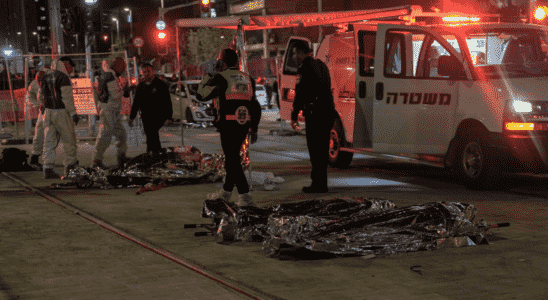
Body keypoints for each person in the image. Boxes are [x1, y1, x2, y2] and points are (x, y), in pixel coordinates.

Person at [197, 48, 262, 206]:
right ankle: (226, 192)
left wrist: (208, 75)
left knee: (232, 160)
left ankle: (245, 195)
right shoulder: (247, 79)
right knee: (232, 159)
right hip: (242, 124)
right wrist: (254, 127)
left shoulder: (221, 77)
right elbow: (255, 105)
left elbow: (201, 94)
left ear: (222, 62)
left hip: (228, 124)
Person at [290, 42, 336, 193]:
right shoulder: (321, 65)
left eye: (296, 53)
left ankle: (318, 184)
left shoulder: (304, 68)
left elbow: (300, 92)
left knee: (315, 150)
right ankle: (321, 183)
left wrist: (294, 115)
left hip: (315, 114)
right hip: (327, 112)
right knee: (322, 150)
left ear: (303, 53)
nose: (295, 57)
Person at [38, 56, 80, 179]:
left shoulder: (45, 77)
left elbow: (40, 96)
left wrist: (43, 106)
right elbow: (67, 98)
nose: (70, 68)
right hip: (61, 112)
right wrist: (73, 113)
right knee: (69, 140)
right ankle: (70, 166)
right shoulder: (63, 77)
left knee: (49, 141)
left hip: (48, 112)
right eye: (69, 66)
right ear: (63, 65)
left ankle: (47, 167)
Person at [90, 58, 128, 169]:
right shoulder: (111, 76)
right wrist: (124, 90)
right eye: (123, 66)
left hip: (110, 110)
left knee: (120, 134)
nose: (124, 68)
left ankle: (121, 156)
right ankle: (96, 160)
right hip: (110, 110)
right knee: (105, 135)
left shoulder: (106, 75)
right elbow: (115, 95)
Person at [128, 63, 172, 154]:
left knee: (152, 132)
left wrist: (169, 116)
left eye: (148, 71)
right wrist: (132, 117)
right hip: (146, 115)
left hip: (159, 114)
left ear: (153, 72)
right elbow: (136, 102)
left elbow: (167, 101)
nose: (146, 73)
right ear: (141, 73)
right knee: (150, 134)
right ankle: (154, 152)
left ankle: (153, 152)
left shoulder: (160, 84)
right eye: (144, 72)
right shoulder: (141, 86)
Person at [26, 69, 47, 171]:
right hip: (45, 111)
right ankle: (35, 157)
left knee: (65, 135)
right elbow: (30, 96)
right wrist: (38, 105)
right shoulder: (34, 84)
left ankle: (71, 160)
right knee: (39, 133)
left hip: (57, 109)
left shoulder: (53, 79)